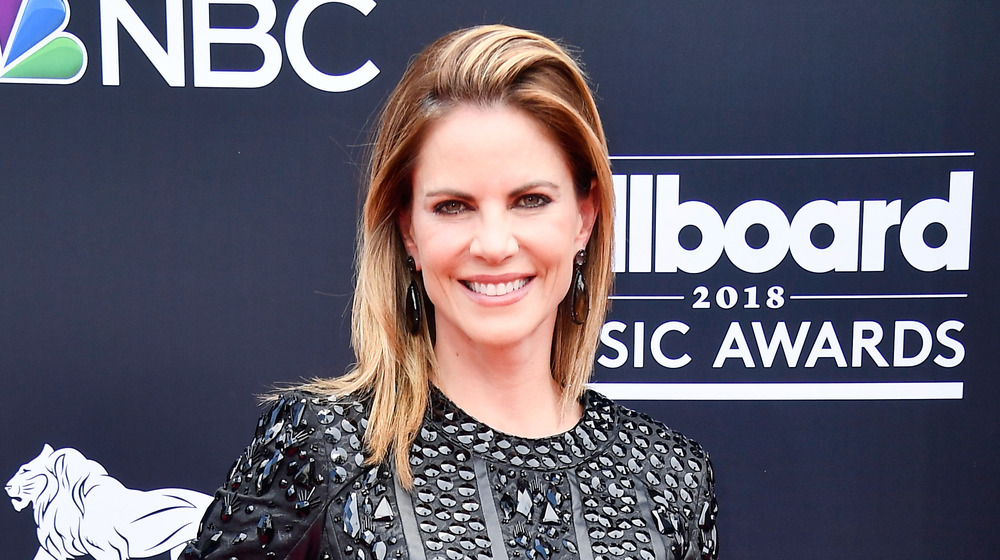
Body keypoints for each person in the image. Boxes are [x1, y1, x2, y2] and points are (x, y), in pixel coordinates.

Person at [183, 24, 718, 560]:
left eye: (530, 200)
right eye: (453, 207)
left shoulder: (669, 476)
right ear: (409, 232)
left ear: (584, 218)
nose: (492, 244)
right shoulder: (324, 449)